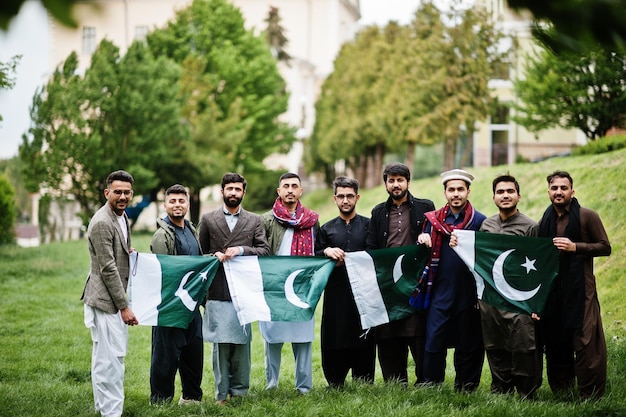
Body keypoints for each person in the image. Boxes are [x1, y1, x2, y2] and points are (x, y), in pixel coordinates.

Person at [451, 174, 541, 398]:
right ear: (493, 197)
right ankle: (501, 390)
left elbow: (539, 268)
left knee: (523, 347)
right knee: (495, 345)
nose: (505, 196)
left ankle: (526, 393)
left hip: (520, 299)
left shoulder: (530, 227)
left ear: (518, 196)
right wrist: (458, 244)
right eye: (500, 192)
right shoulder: (486, 225)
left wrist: (536, 304)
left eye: (510, 191)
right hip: (491, 299)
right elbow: (478, 259)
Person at [538, 170, 611, 400]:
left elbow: (604, 247)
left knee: (587, 342)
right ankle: (562, 391)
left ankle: (591, 395)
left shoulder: (588, 216)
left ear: (572, 191)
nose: (559, 192)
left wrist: (575, 248)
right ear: (548, 192)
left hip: (582, 290)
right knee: (556, 340)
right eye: (554, 188)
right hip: (554, 291)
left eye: (563, 187)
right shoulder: (544, 220)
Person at [198, 173, 270, 404]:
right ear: (222, 192)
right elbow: (199, 254)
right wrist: (213, 256)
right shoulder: (208, 219)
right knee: (220, 346)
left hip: (244, 292)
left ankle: (239, 391)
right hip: (216, 290)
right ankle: (221, 394)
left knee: (242, 345)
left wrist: (241, 250)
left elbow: (264, 250)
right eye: (229, 189)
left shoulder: (254, 220)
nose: (233, 193)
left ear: (243, 193)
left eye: (237, 189)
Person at [365, 162, 435, 385]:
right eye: (391, 180)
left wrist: (428, 238)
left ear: (408, 182)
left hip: (416, 281)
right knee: (388, 331)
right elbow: (371, 247)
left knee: (418, 330)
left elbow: (436, 237)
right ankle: (395, 381)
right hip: (388, 285)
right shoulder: (377, 212)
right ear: (385, 183)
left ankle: (425, 380)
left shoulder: (425, 207)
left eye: (400, 180)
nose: (396, 184)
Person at [417, 168, 486, 392]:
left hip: (468, 292)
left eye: (460, 189)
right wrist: (422, 238)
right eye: (451, 190)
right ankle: (432, 383)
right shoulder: (432, 220)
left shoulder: (479, 221)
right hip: (439, 290)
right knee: (434, 340)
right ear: (445, 192)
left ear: (468, 191)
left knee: (469, 342)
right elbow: (422, 254)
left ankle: (466, 386)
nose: (456, 194)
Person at [82, 170, 138, 417]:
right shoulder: (103, 222)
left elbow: (117, 252)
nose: (122, 196)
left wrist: (128, 251)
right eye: (117, 192)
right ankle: (112, 413)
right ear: (107, 193)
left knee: (105, 357)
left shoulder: (122, 216)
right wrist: (124, 306)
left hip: (111, 298)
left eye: (127, 192)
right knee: (111, 360)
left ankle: (103, 408)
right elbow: (107, 268)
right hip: (106, 302)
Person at [260, 172, 320, 393]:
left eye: (295, 186)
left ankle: (303, 386)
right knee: (272, 336)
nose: (290, 190)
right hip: (275, 287)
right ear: (279, 191)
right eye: (286, 186)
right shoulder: (266, 220)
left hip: (302, 287)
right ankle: (271, 384)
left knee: (302, 336)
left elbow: (318, 250)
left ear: (301, 191)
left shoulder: (312, 220)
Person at [315, 176, 376, 387]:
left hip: (363, 294)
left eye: (350, 196)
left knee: (363, 335)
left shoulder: (369, 226)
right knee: (335, 333)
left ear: (357, 197)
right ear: (334, 199)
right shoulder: (326, 229)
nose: (345, 200)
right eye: (341, 196)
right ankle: (335, 379)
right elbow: (316, 256)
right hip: (335, 293)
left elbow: (374, 254)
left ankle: (364, 378)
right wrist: (326, 251)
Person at [149, 184, 204, 405]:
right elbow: (165, 273)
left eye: (181, 201)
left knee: (193, 353)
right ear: (165, 205)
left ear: (188, 205)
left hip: (191, 306)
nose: (177, 205)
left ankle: (191, 397)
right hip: (170, 307)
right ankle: (161, 400)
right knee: (165, 357)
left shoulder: (191, 230)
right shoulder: (162, 235)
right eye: (172, 201)